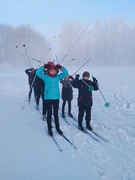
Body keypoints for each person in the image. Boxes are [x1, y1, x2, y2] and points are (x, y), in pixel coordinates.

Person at [36, 61, 68, 136]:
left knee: (56, 114)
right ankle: (49, 128)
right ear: (48, 70)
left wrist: (61, 68)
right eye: (51, 70)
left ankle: (58, 128)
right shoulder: (45, 77)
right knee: (49, 113)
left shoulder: (58, 77)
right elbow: (37, 72)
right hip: (48, 98)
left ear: (56, 71)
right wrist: (44, 67)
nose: (52, 71)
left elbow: (66, 73)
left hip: (56, 98)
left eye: (54, 70)